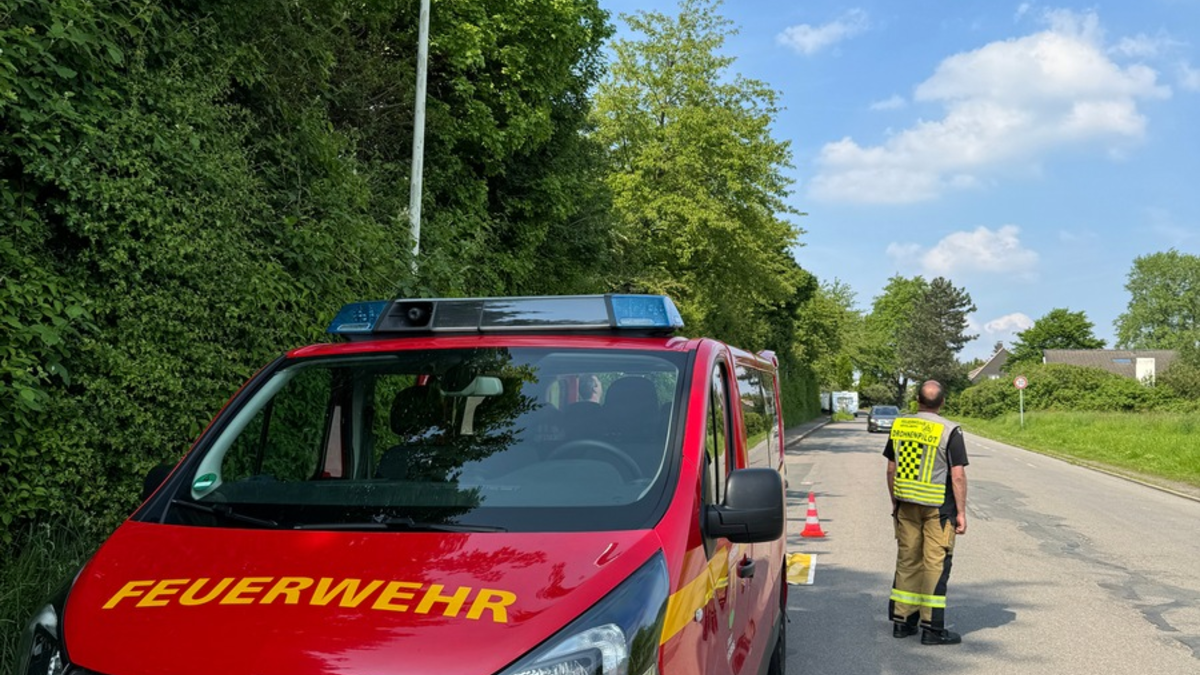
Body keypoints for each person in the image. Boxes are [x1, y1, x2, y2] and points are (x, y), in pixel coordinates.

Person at [883, 380, 969, 645]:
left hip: (906, 504)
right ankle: (932, 630)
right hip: (938, 510)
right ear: (942, 402)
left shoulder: (901, 425)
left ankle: (903, 623)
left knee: (908, 560)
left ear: (917, 401)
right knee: (935, 564)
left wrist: (894, 502)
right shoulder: (950, 430)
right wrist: (962, 512)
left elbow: (890, 469)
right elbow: (957, 475)